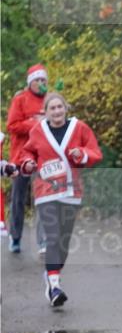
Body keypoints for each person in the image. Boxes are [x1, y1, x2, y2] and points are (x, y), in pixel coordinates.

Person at [17, 92, 103, 306]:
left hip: (71, 191)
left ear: (66, 108)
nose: (56, 111)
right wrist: (28, 164)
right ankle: (55, 286)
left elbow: (95, 153)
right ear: (45, 112)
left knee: (63, 242)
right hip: (45, 191)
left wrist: (80, 154)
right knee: (53, 237)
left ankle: (51, 274)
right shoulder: (38, 131)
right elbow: (27, 154)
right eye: (52, 108)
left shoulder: (80, 128)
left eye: (59, 107)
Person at [5, 64, 48, 253]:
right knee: (18, 199)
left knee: (43, 198)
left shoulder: (50, 100)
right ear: (30, 83)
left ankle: (43, 242)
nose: (40, 83)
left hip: (43, 157)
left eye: (43, 80)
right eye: (37, 80)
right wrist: (34, 123)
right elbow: (12, 126)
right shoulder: (20, 99)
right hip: (21, 157)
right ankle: (15, 237)